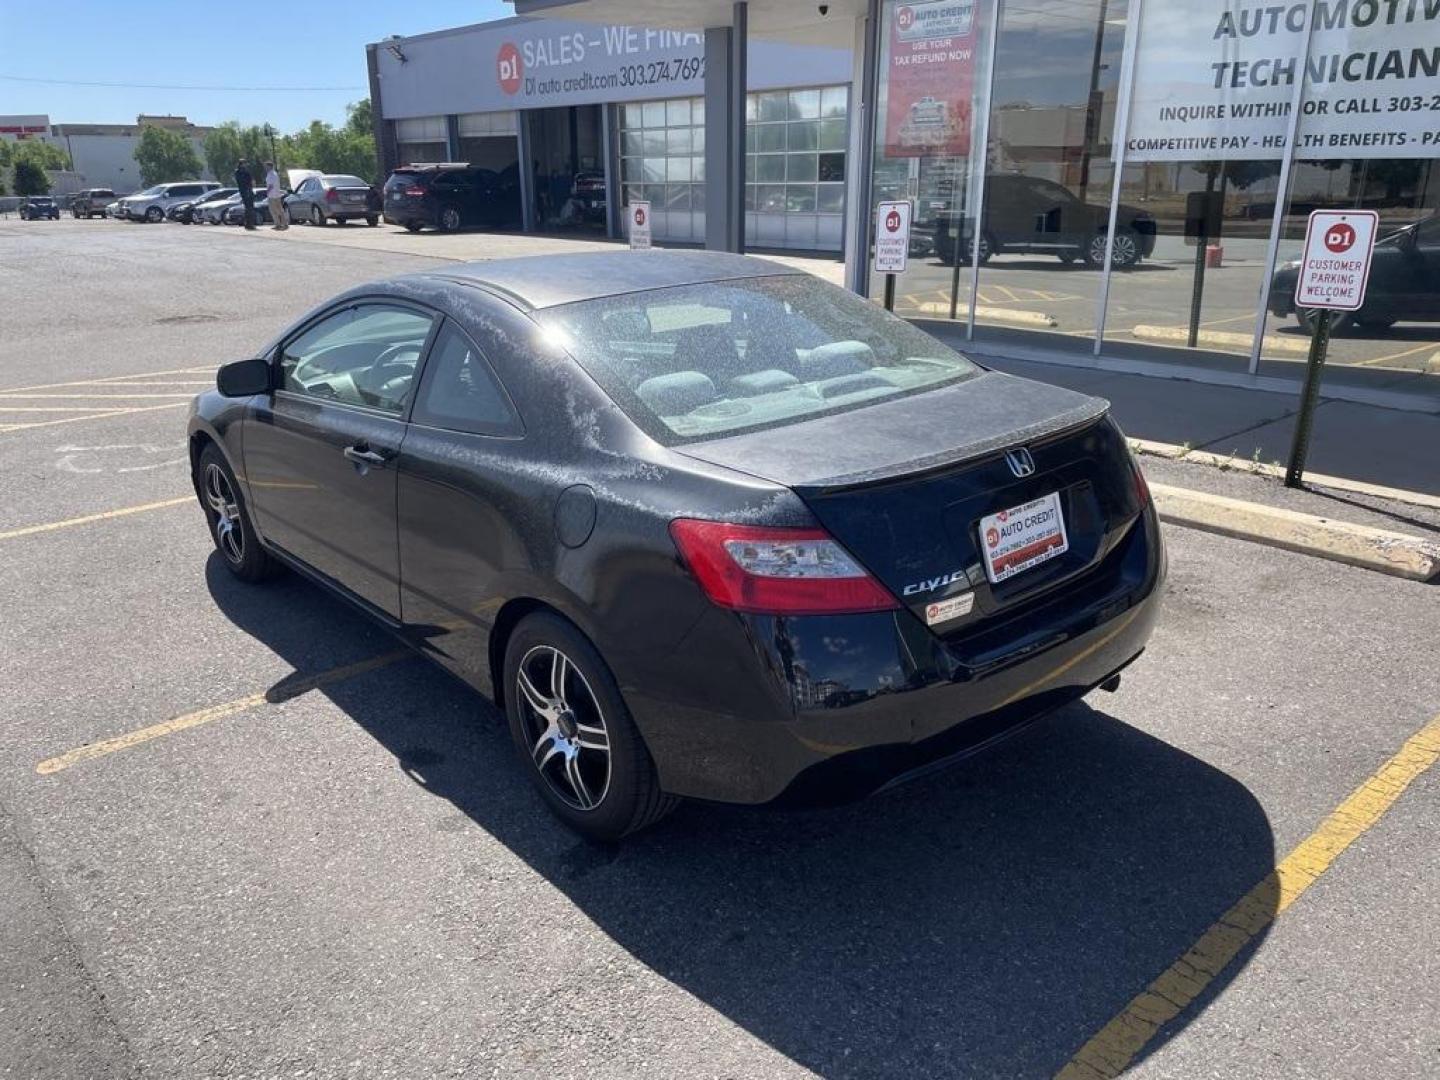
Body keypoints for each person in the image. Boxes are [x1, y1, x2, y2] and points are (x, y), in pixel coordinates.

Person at [264, 161, 288, 231]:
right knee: (280, 210)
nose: (265, 168)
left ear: (269, 166)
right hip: (277, 194)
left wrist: (267, 191)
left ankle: (277, 224)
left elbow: (271, 185)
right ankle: (284, 223)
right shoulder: (275, 174)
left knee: (273, 210)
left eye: (266, 166)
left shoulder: (270, 174)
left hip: (272, 195)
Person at [233, 158, 256, 230]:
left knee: (249, 208)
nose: (246, 165)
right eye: (244, 163)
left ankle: (249, 223)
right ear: (241, 164)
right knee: (249, 208)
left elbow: (250, 180)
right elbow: (243, 181)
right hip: (245, 190)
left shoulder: (244, 171)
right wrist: (249, 185)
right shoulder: (240, 172)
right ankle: (249, 224)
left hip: (247, 190)